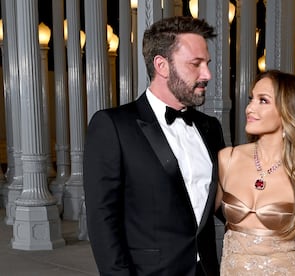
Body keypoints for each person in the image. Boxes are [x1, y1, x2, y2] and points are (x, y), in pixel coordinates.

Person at [83, 16, 225, 276]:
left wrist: (274, 238)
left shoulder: (210, 128)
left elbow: (221, 203)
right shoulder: (113, 126)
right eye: (196, 64)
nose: (207, 74)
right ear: (162, 65)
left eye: (207, 64)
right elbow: (102, 220)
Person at [215, 69, 295, 275]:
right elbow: (196, 217)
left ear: (289, 111)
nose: (249, 108)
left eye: (263, 101)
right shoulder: (228, 159)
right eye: (251, 99)